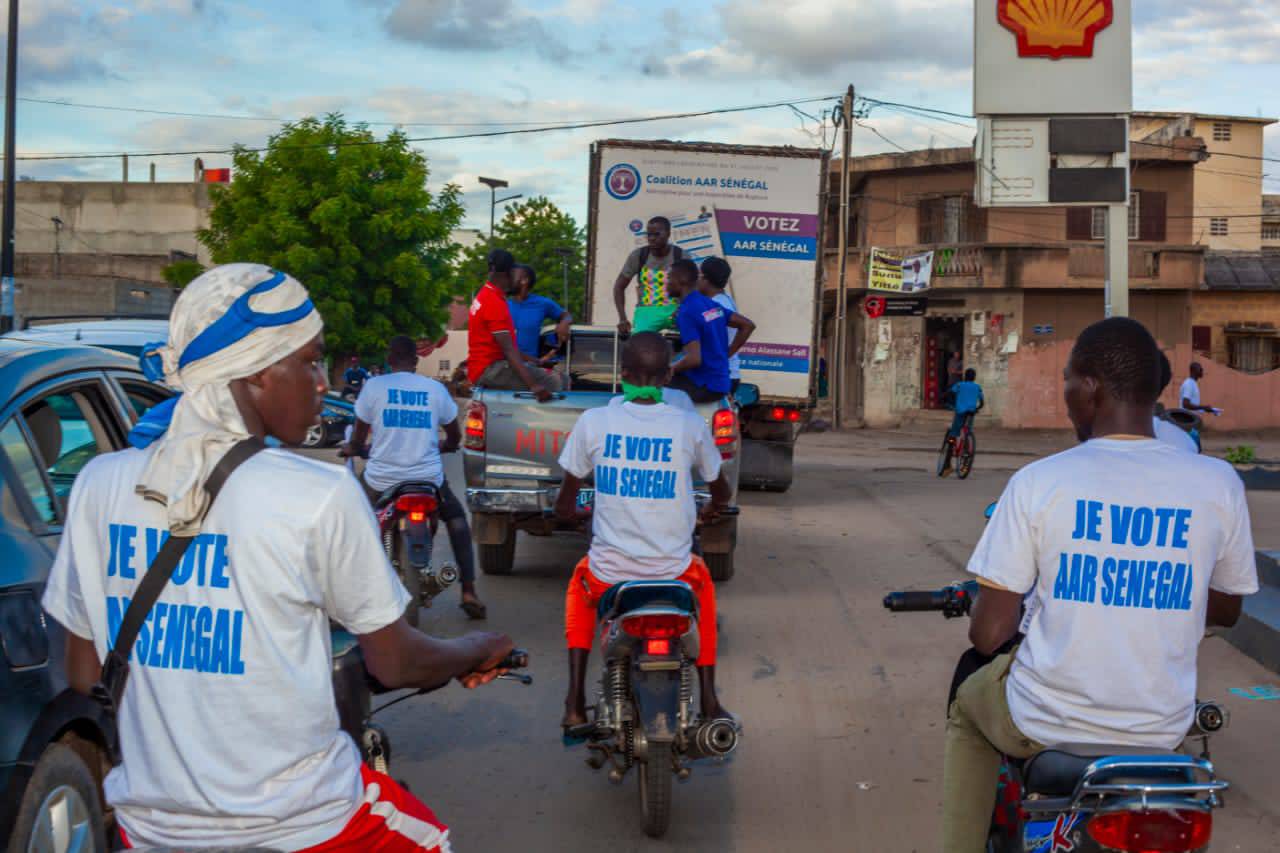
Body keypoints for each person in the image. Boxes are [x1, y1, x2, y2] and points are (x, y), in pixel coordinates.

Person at [40, 264, 515, 852]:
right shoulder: (319, 491)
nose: (322, 382)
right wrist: (476, 648)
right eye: (311, 361)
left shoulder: (98, 483)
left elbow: (86, 674)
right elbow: (396, 664)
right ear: (259, 372)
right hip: (307, 824)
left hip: (153, 830)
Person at [941, 316, 1257, 853]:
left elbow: (990, 635)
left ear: (1088, 388)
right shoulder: (1217, 482)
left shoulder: (1041, 482)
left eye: (1067, 381)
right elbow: (1225, 609)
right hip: (1159, 731)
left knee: (968, 707)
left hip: (1044, 722)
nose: (1064, 395)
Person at [555, 332, 733, 730]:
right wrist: (713, 507)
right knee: (704, 592)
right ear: (667, 377)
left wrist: (575, 515)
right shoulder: (689, 425)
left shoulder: (594, 422)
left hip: (609, 577)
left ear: (623, 375)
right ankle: (709, 699)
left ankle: (573, 702)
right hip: (675, 574)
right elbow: (720, 488)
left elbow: (564, 505)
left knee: (578, 591)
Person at [345, 334, 487, 619]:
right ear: (416, 360)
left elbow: (360, 437)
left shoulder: (373, 387)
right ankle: (469, 589)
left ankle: (350, 591)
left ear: (388, 359)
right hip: (427, 480)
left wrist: (357, 448)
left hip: (381, 480)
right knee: (458, 522)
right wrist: (446, 446)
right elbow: (454, 434)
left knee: (352, 515)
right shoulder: (434, 389)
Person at [468, 248, 553, 401]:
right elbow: (508, 350)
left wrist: (535, 361)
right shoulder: (494, 302)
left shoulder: (485, 294)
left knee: (536, 373)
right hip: (491, 370)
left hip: (482, 368)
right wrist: (534, 386)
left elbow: (500, 346)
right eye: (515, 272)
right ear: (507, 273)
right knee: (556, 381)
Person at [665, 259, 755, 403]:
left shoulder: (688, 310)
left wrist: (669, 370)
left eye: (668, 278)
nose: (665, 283)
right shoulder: (710, 304)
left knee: (655, 382)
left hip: (707, 385)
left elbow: (694, 359)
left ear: (681, 280)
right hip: (721, 381)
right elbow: (748, 325)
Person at [613, 216, 683, 335]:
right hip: (646, 312)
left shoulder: (680, 256)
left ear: (668, 234)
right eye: (649, 235)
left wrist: (683, 309)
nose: (652, 238)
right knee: (639, 346)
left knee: (692, 339)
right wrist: (622, 319)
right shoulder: (639, 256)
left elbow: (692, 288)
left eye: (657, 234)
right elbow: (619, 287)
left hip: (674, 310)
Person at [508, 263, 572, 362]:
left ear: (524, 280)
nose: (509, 280)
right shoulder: (501, 304)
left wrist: (564, 323)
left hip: (529, 366)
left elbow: (566, 315)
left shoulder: (542, 303)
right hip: (504, 365)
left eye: (512, 276)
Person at [697, 256, 742, 393]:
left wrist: (725, 355)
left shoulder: (718, 305)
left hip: (720, 375)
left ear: (705, 279)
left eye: (698, 275)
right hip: (725, 373)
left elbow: (747, 326)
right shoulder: (723, 300)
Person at [1154, 352, 1198, 454]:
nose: (1202, 371)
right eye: (1200, 369)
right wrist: (1204, 407)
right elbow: (1186, 403)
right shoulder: (1185, 442)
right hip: (1186, 421)